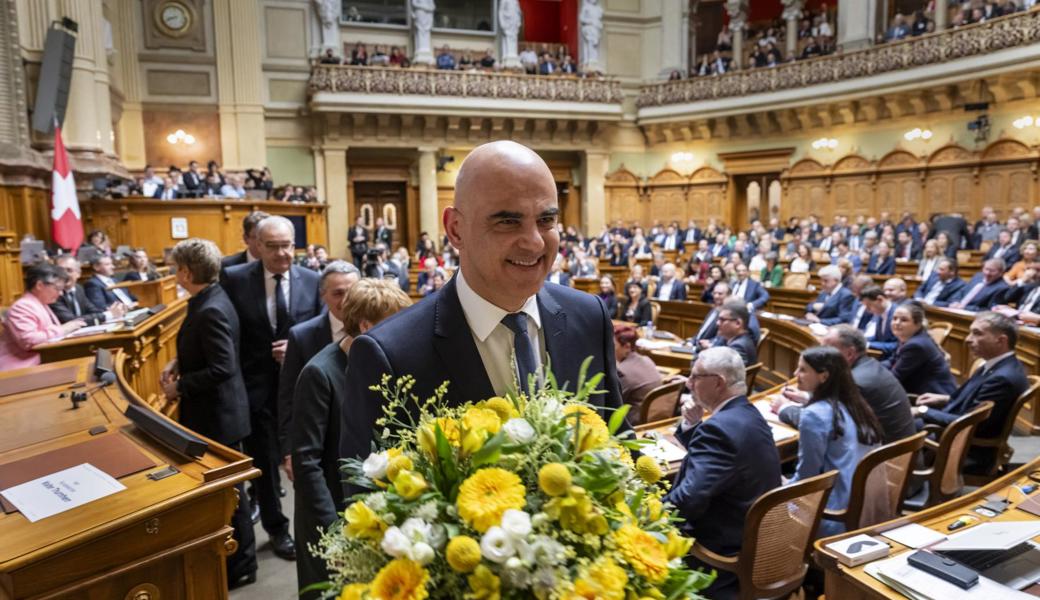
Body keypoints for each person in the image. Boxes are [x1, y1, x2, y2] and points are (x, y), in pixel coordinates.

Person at [340, 141, 623, 474]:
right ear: (455, 229)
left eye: (546, 219)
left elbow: (615, 441)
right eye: (508, 222)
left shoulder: (589, 316)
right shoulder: (388, 355)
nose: (534, 241)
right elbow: (365, 498)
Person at [291, 279, 412, 599]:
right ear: (365, 325)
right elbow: (306, 461)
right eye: (393, 325)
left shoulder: (384, 366)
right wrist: (335, 533)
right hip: (330, 513)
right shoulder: (319, 372)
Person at [222, 216, 323, 561]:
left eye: (288, 245)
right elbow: (226, 330)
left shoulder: (313, 280)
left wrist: (295, 351)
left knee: (308, 459)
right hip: (256, 388)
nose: (283, 254)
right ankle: (277, 529)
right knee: (264, 465)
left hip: (300, 387)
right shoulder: (235, 280)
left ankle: (319, 525)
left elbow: (321, 332)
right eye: (274, 246)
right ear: (257, 246)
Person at [159, 238, 256, 588]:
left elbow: (223, 367)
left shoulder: (210, 308)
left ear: (186, 271)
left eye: (175, 269)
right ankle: (238, 560)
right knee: (228, 492)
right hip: (217, 412)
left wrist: (179, 387)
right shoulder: (207, 298)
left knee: (231, 494)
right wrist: (177, 361)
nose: (174, 274)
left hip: (219, 415)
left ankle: (241, 564)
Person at [663, 347, 781, 600]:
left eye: (695, 377)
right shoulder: (748, 414)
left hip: (721, 555)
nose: (688, 383)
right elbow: (726, 460)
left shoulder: (719, 430)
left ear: (718, 383)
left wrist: (648, 514)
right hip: (756, 539)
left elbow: (688, 501)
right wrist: (694, 427)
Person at [786, 346, 883, 537]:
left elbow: (808, 476)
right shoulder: (856, 404)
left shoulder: (814, 415)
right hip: (867, 507)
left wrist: (783, 485)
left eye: (803, 369)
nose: (796, 374)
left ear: (823, 376)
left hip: (834, 515)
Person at [913, 312, 1030, 470]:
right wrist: (943, 399)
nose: (968, 339)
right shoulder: (993, 365)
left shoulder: (1002, 378)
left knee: (897, 427)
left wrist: (922, 411)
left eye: (977, 333)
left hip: (966, 447)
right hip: (954, 431)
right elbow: (974, 402)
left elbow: (969, 422)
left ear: (1001, 340)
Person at [276, 261, 360, 468]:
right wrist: (289, 451)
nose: (347, 301)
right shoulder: (302, 335)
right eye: (338, 294)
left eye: (352, 292)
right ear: (323, 295)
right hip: (318, 440)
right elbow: (288, 395)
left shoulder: (375, 328)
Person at [777, 325, 916, 444]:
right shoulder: (869, 365)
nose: (820, 354)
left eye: (827, 349)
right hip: (891, 451)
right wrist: (806, 397)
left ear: (849, 353)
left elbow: (822, 424)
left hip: (884, 463)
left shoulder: (855, 382)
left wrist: (784, 408)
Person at [0, 264, 84, 370]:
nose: (61, 293)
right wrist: (63, 329)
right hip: (22, 368)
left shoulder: (41, 303)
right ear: (39, 285)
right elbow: (29, 341)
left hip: (41, 363)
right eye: (57, 288)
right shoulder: (22, 306)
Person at [884, 301, 958, 396]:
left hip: (934, 399)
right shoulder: (909, 337)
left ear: (918, 323)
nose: (897, 323)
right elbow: (892, 361)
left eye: (904, 320)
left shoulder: (916, 345)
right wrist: (874, 367)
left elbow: (895, 377)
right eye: (894, 319)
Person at [51, 255, 125, 325]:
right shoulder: (53, 293)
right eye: (59, 271)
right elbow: (72, 321)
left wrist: (111, 311)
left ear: (78, 273)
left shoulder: (78, 289)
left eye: (69, 270)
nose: (64, 274)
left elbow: (93, 310)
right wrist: (108, 314)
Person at [613, 324, 663, 424]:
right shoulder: (647, 360)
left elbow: (613, 402)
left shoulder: (622, 371)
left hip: (631, 426)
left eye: (612, 345)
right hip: (654, 419)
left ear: (627, 346)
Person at [712, 299, 757, 366]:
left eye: (722, 320)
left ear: (738, 323)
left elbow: (726, 374)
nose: (717, 323)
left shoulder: (738, 347)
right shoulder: (733, 340)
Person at [859, 286, 899, 357]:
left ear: (880, 299)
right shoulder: (879, 313)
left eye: (869, 306)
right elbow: (878, 338)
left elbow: (897, 345)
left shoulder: (897, 315)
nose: (868, 310)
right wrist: (860, 341)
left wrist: (869, 344)